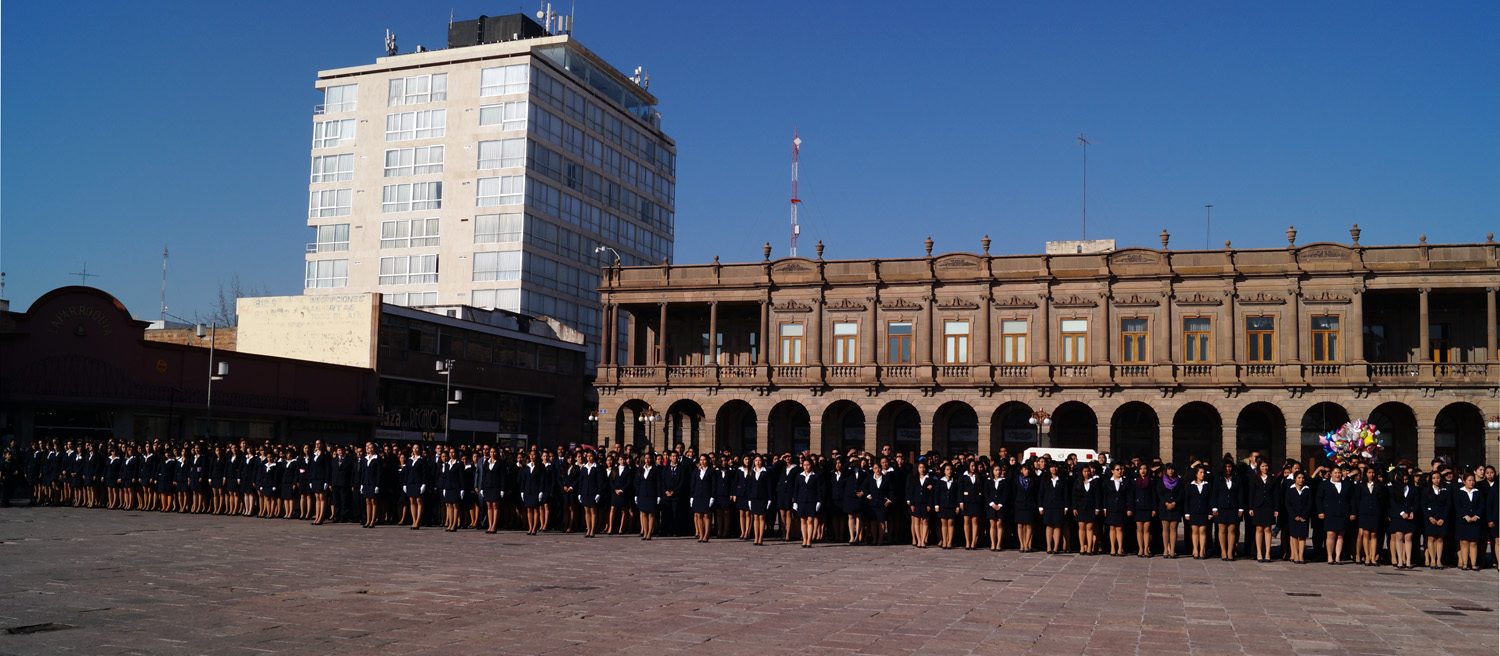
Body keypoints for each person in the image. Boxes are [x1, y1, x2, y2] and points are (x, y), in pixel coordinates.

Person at [1315, 466, 1354, 565]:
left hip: (1343, 513)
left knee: (1340, 535)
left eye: (1339, 473)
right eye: (1335, 473)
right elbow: (1319, 499)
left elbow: (1351, 499)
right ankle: (1329, 556)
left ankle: (1338, 557)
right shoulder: (1324, 484)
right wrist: (1320, 511)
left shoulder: (1346, 484)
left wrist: (1352, 512)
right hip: (1330, 513)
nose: (1337, 475)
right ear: (1331, 474)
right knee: (1330, 534)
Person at [1247, 460, 1279, 563]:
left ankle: (1268, 553)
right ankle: (1259, 553)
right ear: (1259, 467)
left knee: (1267, 529)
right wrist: (1251, 508)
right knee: (1259, 528)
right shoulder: (1255, 478)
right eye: (1263, 466)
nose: (1265, 468)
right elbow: (1251, 493)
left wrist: (1276, 508)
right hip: (1258, 506)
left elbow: (1276, 494)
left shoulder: (1272, 478)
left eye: (1266, 466)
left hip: (1269, 506)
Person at [1212, 460, 1244, 561]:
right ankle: (1223, 551)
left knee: (1232, 530)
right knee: (1222, 530)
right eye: (1226, 467)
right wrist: (1214, 507)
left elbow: (1240, 493)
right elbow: (1214, 493)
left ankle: (1230, 551)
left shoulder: (1237, 478)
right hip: (1221, 507)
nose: (1228, 469)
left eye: (1229, 467)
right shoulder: (1218, 478)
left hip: (1233, 507)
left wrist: (1241, 508)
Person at [1387, 468, 1418, 570]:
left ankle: (1408, 560)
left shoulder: (1413, 489)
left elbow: (1416, 502)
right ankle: (1400, 560)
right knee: (1399, 537)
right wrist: (1402, 513)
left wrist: (1412, 511)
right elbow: (1393, 503)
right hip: (1398, 516)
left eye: (1406, 479)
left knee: (1408, 538)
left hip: (1410, 516)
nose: (1405, 481)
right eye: (1403, 480)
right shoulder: (1393, 489)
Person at [1353, 467, 1384, 566]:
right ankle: (1366, 556)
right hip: (1364, 513)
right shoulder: (1360, 485)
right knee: (1365, 534)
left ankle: (1373, 557)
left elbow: (1382, 500)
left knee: (1374, 535)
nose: (1371, 474)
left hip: (1375, 512)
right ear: (1366, 474)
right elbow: (1357, 500)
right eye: (1369, 472)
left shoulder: (1379, 485)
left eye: (1373, 472)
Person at [1038, 461, 1070, 555]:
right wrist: (1040, 506)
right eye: (1052, 467)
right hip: (1048, 505)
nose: (1054, 469)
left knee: (1057, 525)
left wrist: (1066, 507)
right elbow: (1041, 493)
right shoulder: (1045, 478)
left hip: (1059, 505)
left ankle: (1056, 547)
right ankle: (1049, 546)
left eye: (1055, 467)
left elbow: (1066, 494)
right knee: (1049, 525)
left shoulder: (1062, 479)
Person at [1422, 470, 1451, 570]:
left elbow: (1448, 504)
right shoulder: (1426, 490)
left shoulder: (1446, 489)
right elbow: (1424, 504)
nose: (1436, 480)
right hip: (1430, 517)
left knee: (1440, 539)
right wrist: (1429, 517)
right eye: (1434, 478)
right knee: (1431, 538)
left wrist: (1443, 518)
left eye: (1438, 478)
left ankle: (1439, 560)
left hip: (1442, 517)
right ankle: (1432, 560)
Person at [1454, 472, 1484, 571]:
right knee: (1464, 542)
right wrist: (1465, 516)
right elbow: (1458, 506)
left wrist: (1476, 516)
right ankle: (1465, 563)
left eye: (1473, 480)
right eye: (1469, 480)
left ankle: (1474, 564)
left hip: (1475, 521)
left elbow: (1481, 505)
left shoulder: (1478, 492)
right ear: (1464, 481)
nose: (1472, 482)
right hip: (1463, 521)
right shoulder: (1459, 492)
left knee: (1474, 543)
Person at [1283, 470, 1313, 564]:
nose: (1301, 480)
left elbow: (1309, 504)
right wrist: (1294, 515)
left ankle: (1301, 555)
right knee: (1294, 536)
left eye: (1303, 478)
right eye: (1299, 478)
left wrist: (1304, 515)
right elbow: (1288, 503)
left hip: (1304, 516)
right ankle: (1295, 555)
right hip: (1293, 516)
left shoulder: (1307, 489)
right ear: (1295, 479)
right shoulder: (1290, 489)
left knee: (1303, 536)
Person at [1103, 463, 1132, 557]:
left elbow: (1129, 496)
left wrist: (1129, 508)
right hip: (1111, 507)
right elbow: (1104, 496)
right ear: (1112, 471)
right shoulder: (1107, 481)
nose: (1120, 471)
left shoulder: (1126, 481)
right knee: (1112, 527)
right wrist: (1104, 508)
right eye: (1117, 469)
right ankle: (1112, 547)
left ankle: (1120, 548)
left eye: (1121, 469)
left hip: (1121, 507)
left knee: (1120, 528)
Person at [1155, 463, 1183, 559]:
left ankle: (1172, 550)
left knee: (1173, 529)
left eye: (1172, 469)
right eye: (1169, 469)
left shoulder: (1179, 480)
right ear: (1165, 470)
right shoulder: (1161, 481)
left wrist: (1174, 503)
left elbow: (1181, 494)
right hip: (1164, 507)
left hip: (1175, 507)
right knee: (1165, 529)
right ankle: (1165, 549)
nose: (1171, 471)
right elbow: (1159, 494)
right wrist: (1166, 503)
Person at [793, 456, 823, 548]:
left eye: (808, 465)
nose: (806, 467)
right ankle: (804, 539)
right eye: (804, 465)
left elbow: (819, 489)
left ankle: (809, 540)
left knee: (810, 521)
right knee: (803, 521)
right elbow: (796, 489)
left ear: (811, 465)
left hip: (812, 501)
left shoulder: (816, 475)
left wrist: (819, 501)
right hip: (801, 501)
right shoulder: (799, 475)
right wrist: (795, 501)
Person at [933, 463, 962, 550]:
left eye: (950, 469)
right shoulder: (940, 481)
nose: (949, 471)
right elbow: (936, 494)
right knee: (944, 523)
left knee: (951, 523)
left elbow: (958, 494)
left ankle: (950, 542)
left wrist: (957, 506)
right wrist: (936, 505)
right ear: (944, 471)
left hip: (952, 505)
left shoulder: (955, 482)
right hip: (942, 505)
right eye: (947, 470)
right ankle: (944, 541)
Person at [864, 463, 894, 546]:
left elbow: (891, 490)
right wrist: (868, 495)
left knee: (881, 521)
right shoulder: (870, 478)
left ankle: (880, 539)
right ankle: (874, 539)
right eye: (875, 468)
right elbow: (864, 486)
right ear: (873, 469)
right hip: (873, 503)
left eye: (879, 468)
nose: (877, 470)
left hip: (882, 503)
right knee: (873, 521)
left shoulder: (886, 478)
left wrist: (890, 499)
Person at [986, 462, 1013, 553]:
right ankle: (993, 543)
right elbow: (986, 493)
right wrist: (992, 504)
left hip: (1001, 506)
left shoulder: (1004, 481)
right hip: (991, 506)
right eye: (996, 470)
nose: (998, 472)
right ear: (992, 471)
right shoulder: (988, 481)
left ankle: (999, 544)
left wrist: (1000, 504)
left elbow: (1006, 494)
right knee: (992, 524)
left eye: (999, 470)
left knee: (999, 524)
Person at [689, 455, 717, 543]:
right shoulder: (696, 471)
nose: (702, 461)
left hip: (707, 495)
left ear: (707, 461)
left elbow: (713, 484)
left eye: (704, 460)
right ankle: (701, 534)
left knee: (706, 515)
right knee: (699, 515)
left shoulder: (711, 471)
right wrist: (692, 497)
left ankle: (706, 535)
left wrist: (712, 497)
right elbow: (693, 484)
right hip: (697, 495)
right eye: (701, 460)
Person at [746, 455, 772, 545]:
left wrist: (769, 499)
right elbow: (749, 486)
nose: (758, 462)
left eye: (759, 460)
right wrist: (749, 499)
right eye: (756, 460)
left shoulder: (766, 472)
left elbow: (769, 486)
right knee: (755, 517)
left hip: (763, 497)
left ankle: (761, 537)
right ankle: (756, 537)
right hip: (754, 497)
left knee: (761, 517)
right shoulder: (751, 472)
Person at [1131, 464, 1156, 558]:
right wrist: (1132, 508)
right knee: (1139, 529)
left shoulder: (1151, 481)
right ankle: (1140, 548)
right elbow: (1132, 496)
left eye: (1145, 469)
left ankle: (1146, 548)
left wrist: (1154, 509)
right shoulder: (1135, 481)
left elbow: (1154, 496)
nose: (1143, 471)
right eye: (1141, 469)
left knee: (1147, 529)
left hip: (1148, 507)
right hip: (1138, 508)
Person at [634, 453, 661, 541]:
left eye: (649, 458)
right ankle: (645, 532)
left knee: (651, 514)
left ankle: (649, 533)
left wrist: (658, 495)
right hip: (642, 494)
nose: (647, 460)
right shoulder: (640, 469)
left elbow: (658, 483)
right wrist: (636, 494)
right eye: (646, 458)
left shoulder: (655, 469)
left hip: (652, 494)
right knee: (643, 513)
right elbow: (637, 483)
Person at [907, 461, 933, 549]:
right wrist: (911, 503)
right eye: (920, 467)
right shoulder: (914, 478)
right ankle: (918, 540)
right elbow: (911, 492)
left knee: (925, 521)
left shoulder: (929, 479)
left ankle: (923, 540)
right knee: (917, 521)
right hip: (916, 502)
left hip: (925, 502)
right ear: (917, 469)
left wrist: (929, 504)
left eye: (923, 467)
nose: (922, 469)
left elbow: (931, 494)